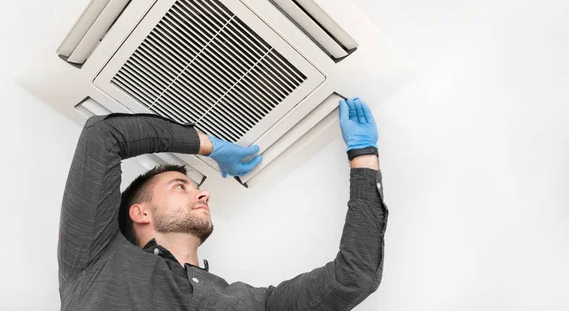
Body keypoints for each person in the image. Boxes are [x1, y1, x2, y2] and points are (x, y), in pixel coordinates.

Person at [57, 97, 389, 310]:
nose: (203, 194)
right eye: (179, 186)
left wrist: (363, 156)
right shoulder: (96, 258)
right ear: (140, 212)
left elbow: (352, 278)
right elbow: (103, 136)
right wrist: (209, 146)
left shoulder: (253, 303)